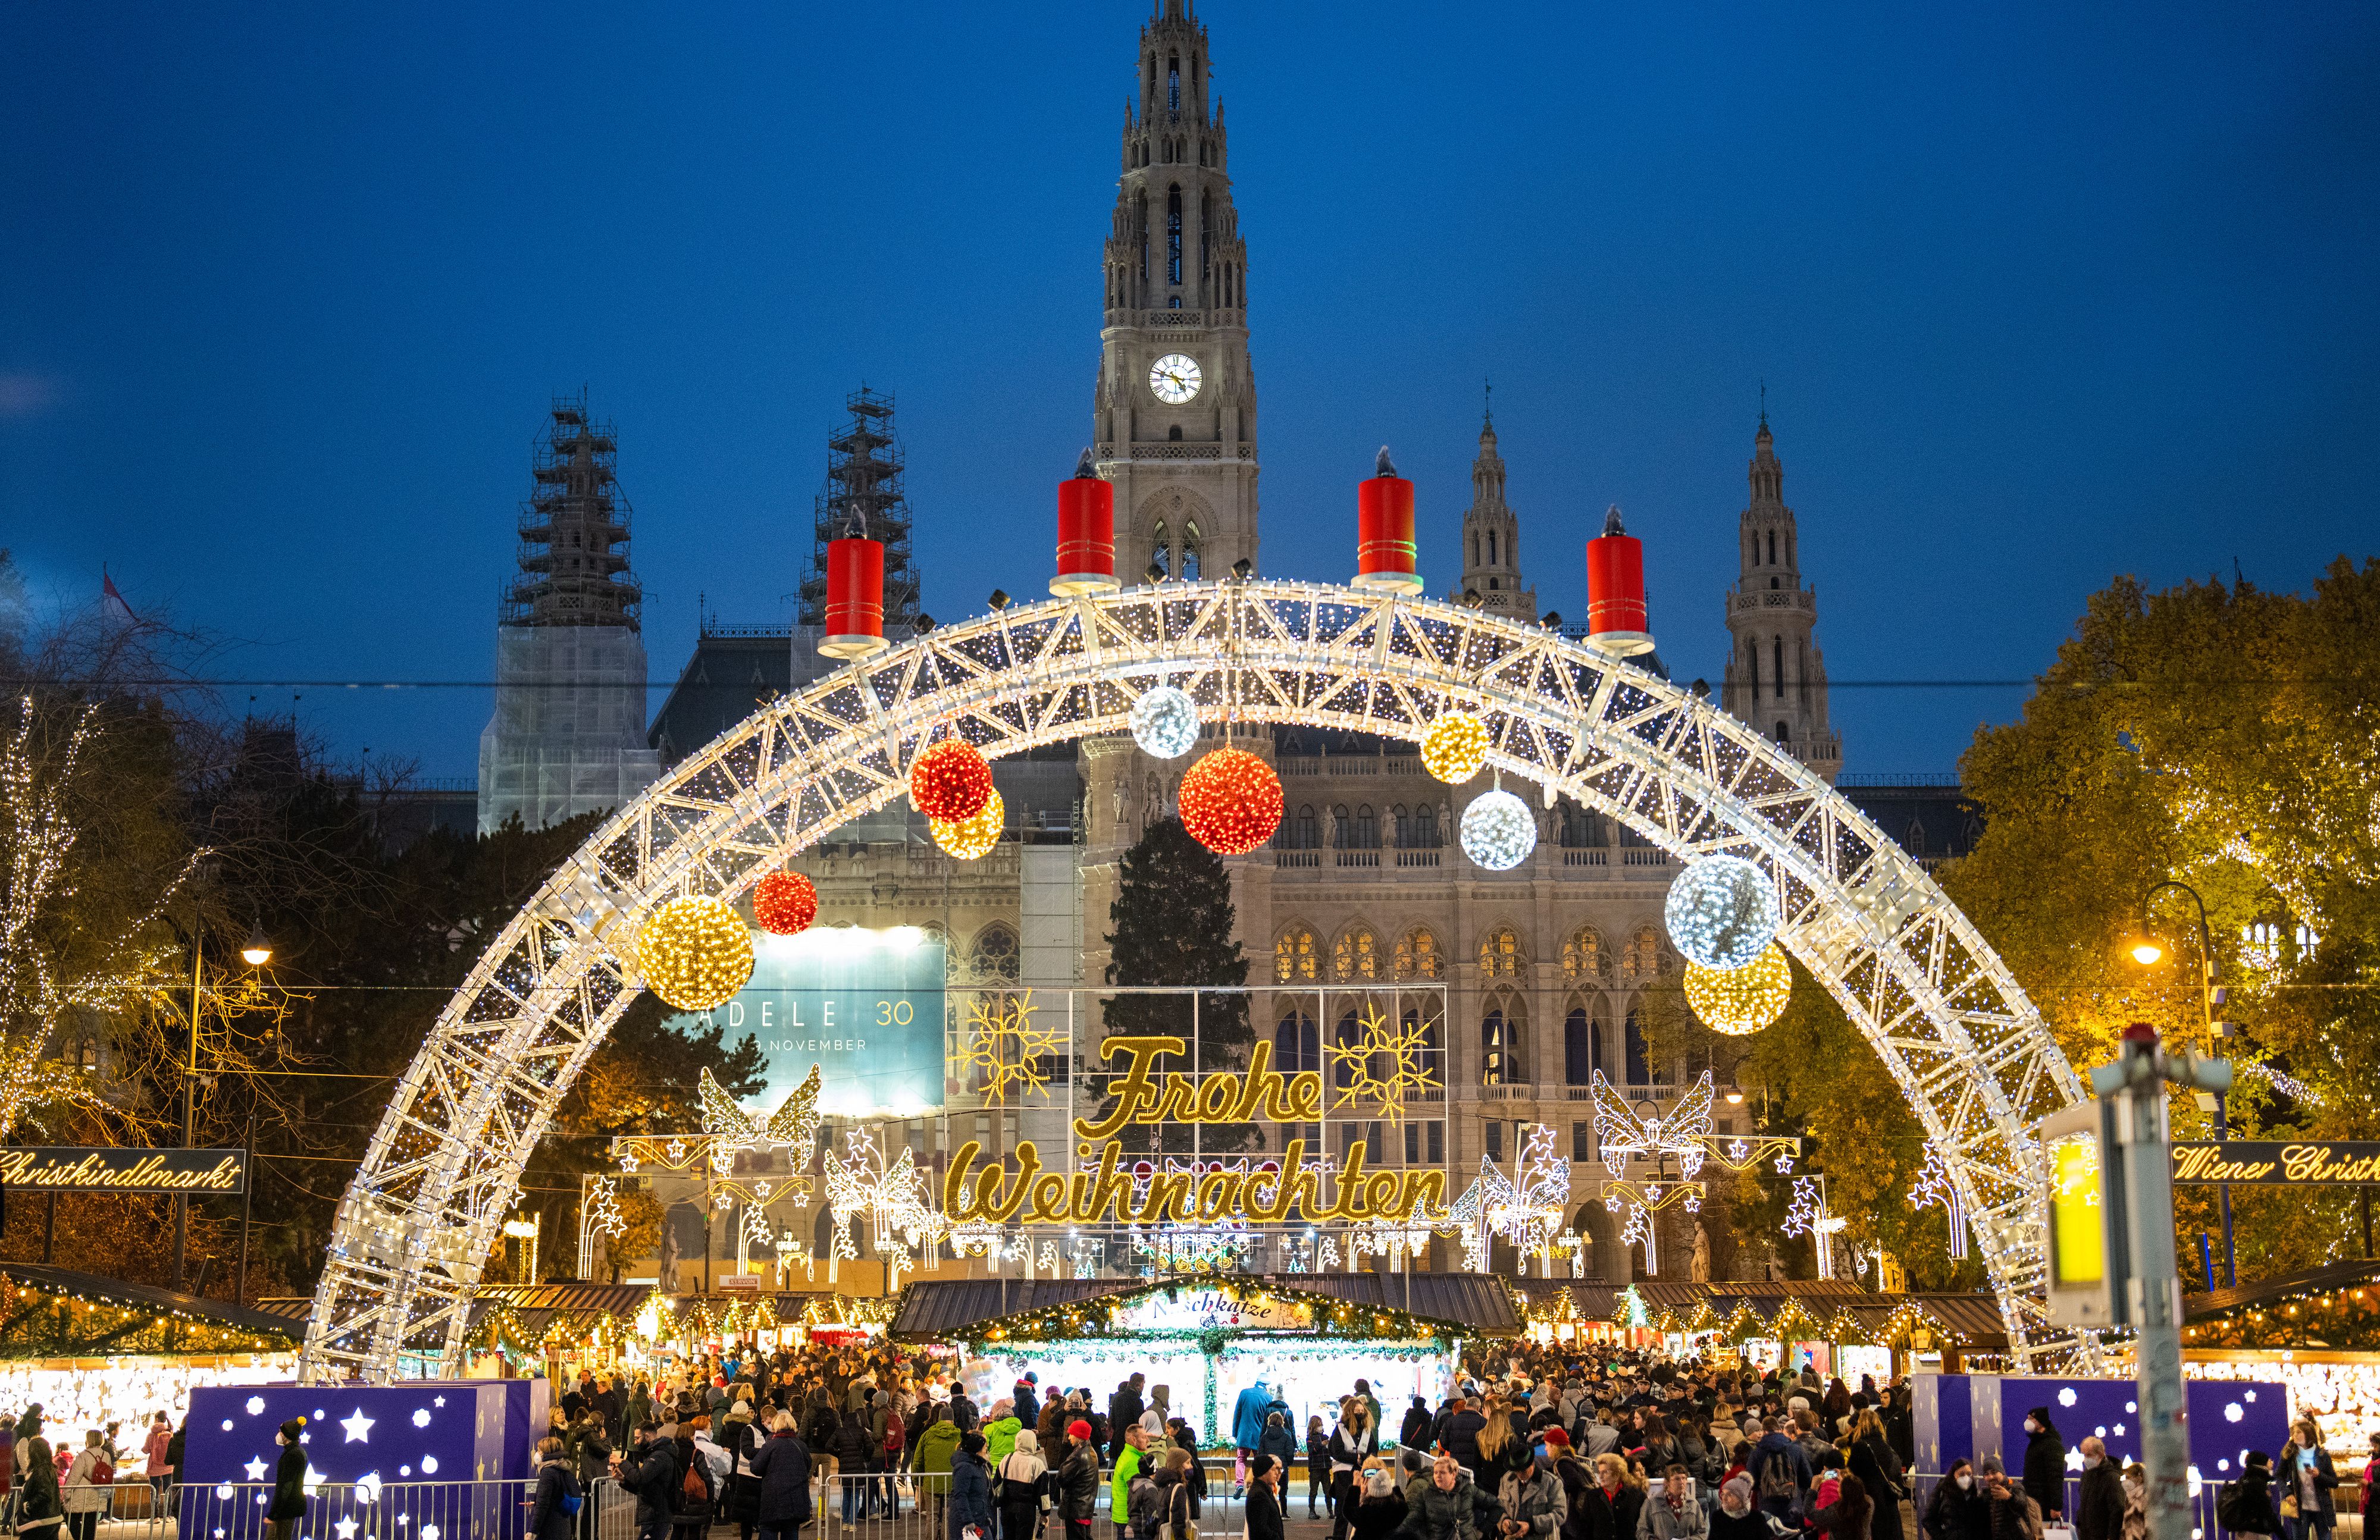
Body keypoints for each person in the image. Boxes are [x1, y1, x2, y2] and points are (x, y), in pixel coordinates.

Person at [749, 1412, 813, 1540]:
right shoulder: (801, 1446)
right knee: (791, 1530)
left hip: (773, 1499)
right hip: (795, 1499)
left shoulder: (771, 1445)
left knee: (769, 1530)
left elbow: (755, 1468)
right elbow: (808, 1466)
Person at [1847, 1410, 1906, 1540]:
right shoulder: (1884, 1445)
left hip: (1869, 1495)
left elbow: (1853, 1469)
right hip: (1887, 1495)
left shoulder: (1860, 1446)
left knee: (1874, 1531)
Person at [2278, 1419, 2337, 1540]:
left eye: (2299, 1432)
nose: (2295, 1435)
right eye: (2294, 1432)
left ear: (2308, 1434)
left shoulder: (2322, 1455)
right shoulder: (2290, 1455)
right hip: (2300, 1509)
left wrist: (2319, 1475)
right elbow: (2279, 1476)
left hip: (2322, 1509)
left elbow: (2334, 1482)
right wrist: (2287, 1493)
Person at [1746, 1416, 1810, 1525]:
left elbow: (1751, 1481)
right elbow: (1808, 1478)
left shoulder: (1757, 1452)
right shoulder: (1795, 1449)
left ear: (1765, 1432)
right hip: (1793, 1506)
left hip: (1767, 1508)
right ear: (1780, 1430)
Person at [1336, 1402, 1385, 1540]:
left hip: (1365, 1473)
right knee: (1343, 1513)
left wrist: (1365, 1459)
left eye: (1362, 1411)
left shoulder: (1367, 1431)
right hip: (1344, 1476)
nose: (1360, 1413)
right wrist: (1355, 1458)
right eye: (1357, 1411)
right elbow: (1335, 1451)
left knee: (1365, 1509)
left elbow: (1374, 1449)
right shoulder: (1340, 1429)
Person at [998, 1428, 1050, 1540]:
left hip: (1007, 1508)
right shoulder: (1037, 1464)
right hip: (1026, 1510)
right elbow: (1043, 1492)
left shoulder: (1007, 1459)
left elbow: (996, 1483)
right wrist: (1045, 1513)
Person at [531, 1435, 585, 1540]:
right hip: (564, 1525)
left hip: (550, 1528)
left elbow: (543, 1505)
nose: (537, 1454)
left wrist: (532, 1531)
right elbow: (557, 1496)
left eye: (539, 1450)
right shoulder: (563, 1469)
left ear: (547, 1452)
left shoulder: (548, 1473)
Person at [2071, 1438, 2123, 1540]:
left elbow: (2118, 1508)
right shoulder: (2086, 1474)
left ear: (2100, 1454)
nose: (2085, 1459)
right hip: (2086, 1535)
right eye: (2084, 1455)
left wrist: (2112, 1536)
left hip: (2102, 1535)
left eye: (2089, 1455)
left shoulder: (2112, 1477)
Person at [2219, 1452, 2279, 1539]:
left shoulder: (2245, 1480)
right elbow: (2268, 1513)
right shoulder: (2257, 1483)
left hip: (2244, 1532)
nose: (2272, 1463)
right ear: (2262, 1464)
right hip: (2255, 1532)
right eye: (2269, 1461)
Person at [2019, 1410, 2066, 1522]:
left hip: (2044, 1504)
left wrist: (2056, 1506)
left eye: (2031, 1419)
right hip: (2032, 1501)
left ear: (2040, 1421)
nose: (2027, 1422)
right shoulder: (2035, 1443)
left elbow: (2056, 1476)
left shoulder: (2052, 1444)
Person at [266, 1419, 309, 1540]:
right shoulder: (297, 1452)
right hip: (285, 1509)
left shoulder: (292, 1455)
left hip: (285, 1510)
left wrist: (273, 1513)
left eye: (281, 1432)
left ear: (287, 1435)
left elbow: (285, 1486)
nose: (279, 1435)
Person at [1059, 1421, 1101, 1540]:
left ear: (1079, 1436)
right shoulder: (1090, 1452)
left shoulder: (1079, 1456)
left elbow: (1061, 1478)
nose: (1069, 1437)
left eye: (1071, 1434)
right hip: (1085, 1507)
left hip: (1076, 1509)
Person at [1636, 1467, 1706, 1540]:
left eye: (1684, 1478)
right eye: (1677, 1479)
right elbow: (1641, 1531)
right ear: (1667, 1482)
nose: (1682, 1482)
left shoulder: (1694, 1504)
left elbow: (1701, 1532)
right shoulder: (1651, 1504)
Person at [62, 1432, 109, 1540]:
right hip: (97, 1493)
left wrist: (66, 1494)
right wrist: (106, 1497)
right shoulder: (106, 1455)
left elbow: (74, 1478)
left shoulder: (83, 1456)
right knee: (91, 1522)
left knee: (70, 1518)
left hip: (82, 1493)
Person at [950, 1432, 996, 1540]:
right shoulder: (965, 1467)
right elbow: (961, 1495)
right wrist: (969, 1521)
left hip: (979, 1519)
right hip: (969, 1523)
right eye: (985, 1447)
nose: (987, 1449)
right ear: (978, 1449)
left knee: (986, 1537)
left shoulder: (978, 1465)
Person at [1922, 1460, 1982, 1540]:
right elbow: (1928, 1518)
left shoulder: (1974, 1494)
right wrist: (1941, 1537)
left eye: (1969, 1474)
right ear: (1954, 1475)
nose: (1966, 1478)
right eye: (1961, 1474)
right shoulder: (1942, 1490)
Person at [18, 1436, 64, 1540]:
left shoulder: (41, 1470)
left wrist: (28, 1506)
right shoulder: (49, 1469)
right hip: (51, 1519)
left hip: (40, 1521)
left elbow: (45, 1494)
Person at [1233, 1382, 1276, 1493]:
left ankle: (1239, 1484)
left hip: (1244, 1435)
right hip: (1259, 1436)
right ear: (1266, 1385)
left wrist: (1235, 1433)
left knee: (1241, 1459)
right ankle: (1255, 1485)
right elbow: (1269, 1420)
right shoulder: (1268, 1398)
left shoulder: (1244, 1393)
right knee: (1258, 1461)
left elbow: (1237, 1414)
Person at [1805, 1474, 1870, 1540]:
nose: (1837, 1489)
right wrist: (1844, 1484)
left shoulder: (1838, 1513)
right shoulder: (1869, 1504)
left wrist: (1813, 1489)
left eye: (1839, 1487)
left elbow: (1809, 1512)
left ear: (1842, 1495)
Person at [1111, 1426, 1149, 1540]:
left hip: (1124, 1515)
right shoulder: (1133, 1462)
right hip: (1131, 1519)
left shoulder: (1129, 1455)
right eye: (1144, 1437)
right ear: (1134, 1440)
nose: (1148, 1440)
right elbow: (1138, 1494)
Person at [1594, 1454, 1644, 1540]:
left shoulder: (1637, 1495)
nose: (1600, 1476)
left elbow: (1644, 1527)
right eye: (1600, 1472)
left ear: (1617, 1474)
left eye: (1605, 1472)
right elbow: (1585, 1529)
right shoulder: (1592, 1496)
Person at [1248, 1454, 1288, 1540]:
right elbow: (1260, 1528)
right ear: (1264, 1473)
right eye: (1273, 1470)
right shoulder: (1259, 1495)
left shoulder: (1265, 1490)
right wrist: (1275, 1537)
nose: (1277, 1473)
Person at [142, 1413, 173, 1512]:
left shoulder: (151, 1435)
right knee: (168, 1490)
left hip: (154, 1467)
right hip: (168, 1466)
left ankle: (155, 1515)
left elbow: (146, 1450)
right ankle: (168, 1514)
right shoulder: (170, 1433)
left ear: (157, 1419)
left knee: (154, 1491)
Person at [2118, 1466, 2147, 1540]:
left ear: (2139, 1479)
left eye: (2128, 1477)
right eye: (2124, 1478)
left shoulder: (2143, 1498)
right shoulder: (2130, 1499)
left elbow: (2150, 1528)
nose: (2125, 1481)